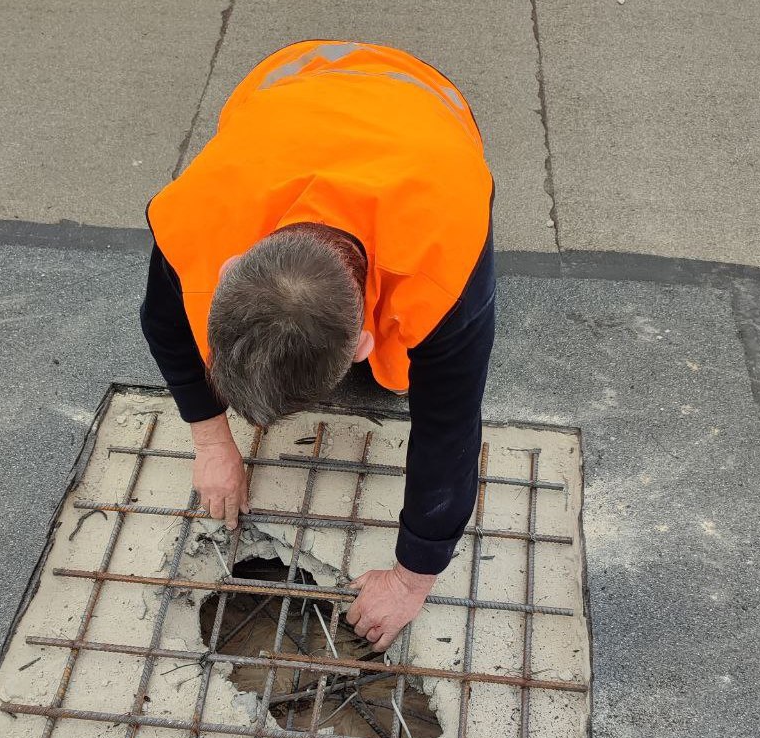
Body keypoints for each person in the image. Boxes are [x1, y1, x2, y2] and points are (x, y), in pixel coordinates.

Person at [140, 40, 495, 652]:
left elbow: (450, 427)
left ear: (364, 341)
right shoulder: (197, 213)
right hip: (290, 82)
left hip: (421, 110)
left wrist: (412, 579)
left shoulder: (444, 258)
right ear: (223, 274)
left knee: (412, 374)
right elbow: (164, 320)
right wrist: (210, 437)